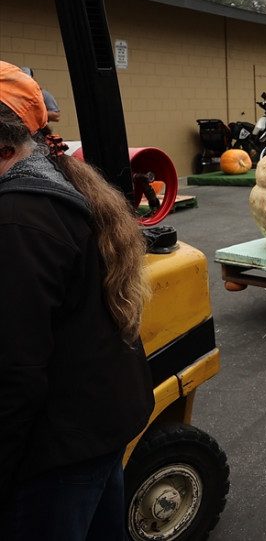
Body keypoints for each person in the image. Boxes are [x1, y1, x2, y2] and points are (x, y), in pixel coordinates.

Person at [0, 61, 154, 539]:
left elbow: (13, 371)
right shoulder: (51, 181)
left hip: (54, 448)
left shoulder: (17, 219)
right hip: (96, 423)